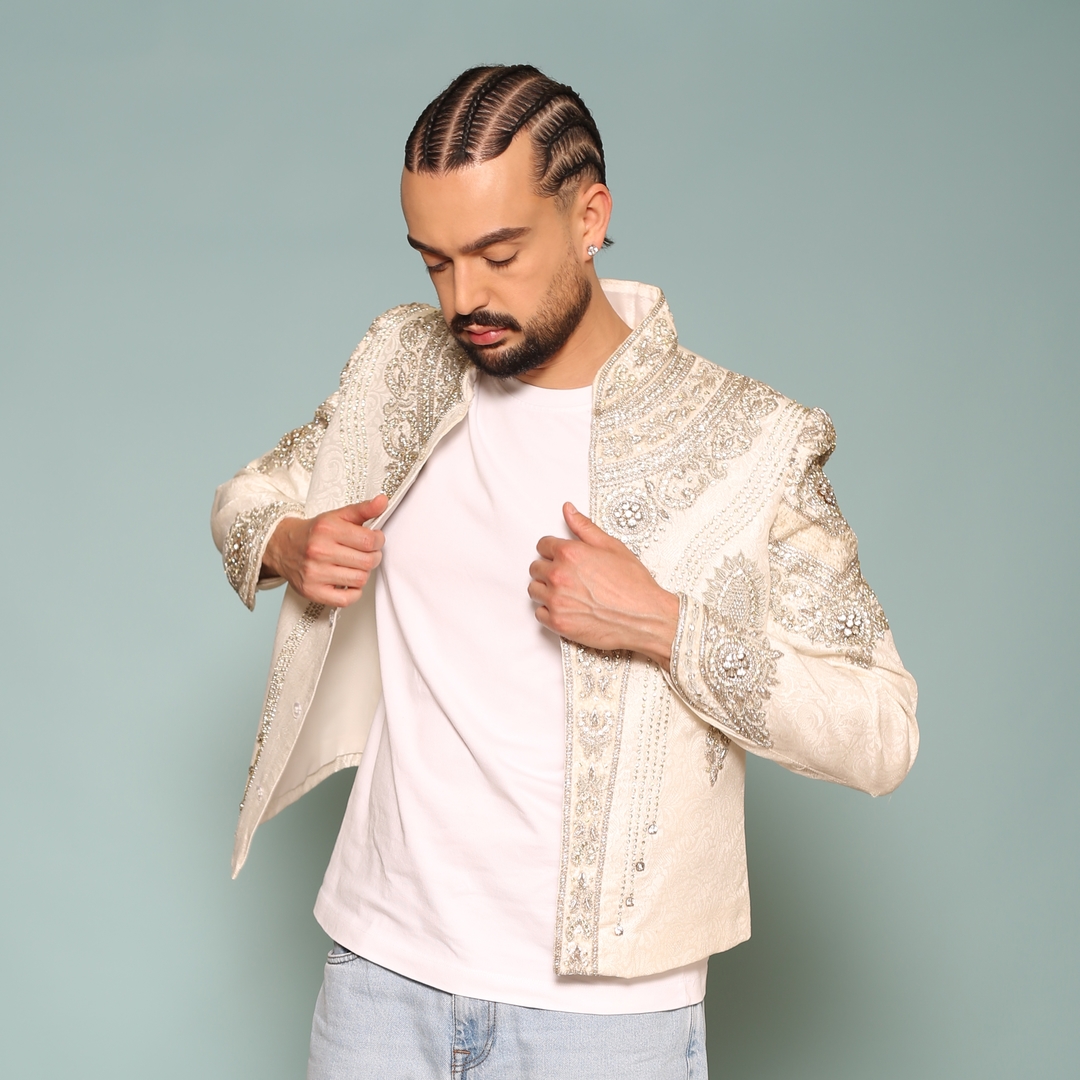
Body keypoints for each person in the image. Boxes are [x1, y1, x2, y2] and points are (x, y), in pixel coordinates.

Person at [211, 64, 918, 1080]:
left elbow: (880, 729)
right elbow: (249, 495)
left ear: (590, 218)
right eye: (435, 261)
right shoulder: (401, 368)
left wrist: (664, 623)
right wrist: (287, 542)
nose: (464, 298)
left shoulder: (751, 442)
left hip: (604, 1025)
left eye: (499, 254)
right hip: (378, 980)